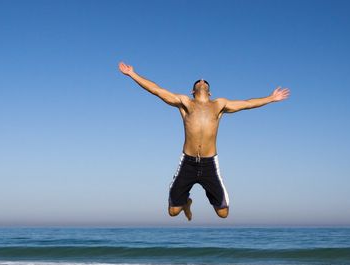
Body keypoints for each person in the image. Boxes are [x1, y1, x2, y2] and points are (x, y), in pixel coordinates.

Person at [118, 62, 290, 221]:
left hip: (209, 164)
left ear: (210, 92)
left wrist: (270, 98)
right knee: (173, 212)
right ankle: (186, 202)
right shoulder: (185, 103)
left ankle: (204, 194)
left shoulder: (219, 104)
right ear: (193, 91)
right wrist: (133, 74)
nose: (201, 80)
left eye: (205, 81)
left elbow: (246, 104)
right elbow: (157, 90)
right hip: (188, 163)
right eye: (198, 81)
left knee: (223, 214)